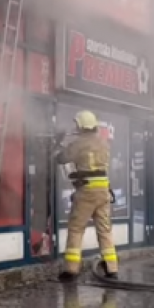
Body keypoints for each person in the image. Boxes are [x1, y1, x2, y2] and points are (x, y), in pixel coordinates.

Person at [53, 110, 118, 282]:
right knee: (104, 230)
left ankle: (71, 270)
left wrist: (59, 144)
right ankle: (112, 269)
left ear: (81, 126)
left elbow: (61, 158)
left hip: (87, 191)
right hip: (103, 191)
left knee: (76, 228)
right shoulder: (103, 143)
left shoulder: (79, 143)